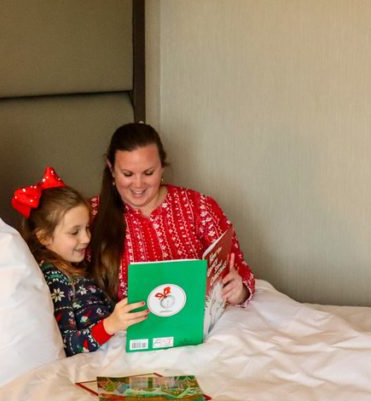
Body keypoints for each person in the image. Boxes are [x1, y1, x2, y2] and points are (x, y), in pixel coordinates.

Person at [89, 123, 256, 305]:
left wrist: (238, 291)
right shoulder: (90, 216)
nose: (138, 184)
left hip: (203, 322)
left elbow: (239, 270)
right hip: (125, 328)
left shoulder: (199, 207)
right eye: (128, 174)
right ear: (111, 168)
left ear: (162, 166)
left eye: (148, 173)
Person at [13, 167, 148, 356]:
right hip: (97, 357)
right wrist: (111, 325)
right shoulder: (54, 278)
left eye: (87, 228)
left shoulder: (76, 268)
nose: (86, 238)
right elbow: (68, 343)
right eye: (74, 232)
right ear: (44, 238)